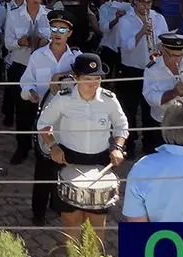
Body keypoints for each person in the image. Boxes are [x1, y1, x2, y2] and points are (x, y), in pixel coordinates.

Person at [37, 53, 128, 237]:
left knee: (97, 221)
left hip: (100, 161)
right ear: (76, 77)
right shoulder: (63, 99)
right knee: (71, 218)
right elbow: (43, 124)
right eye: (87, 79)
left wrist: (117, 147)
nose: (93, 84)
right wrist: (53, 146)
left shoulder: (109, 100)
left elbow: (121, 126)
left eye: (97, 79)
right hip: (68, 159)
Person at [21, 9, 81, 224]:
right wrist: (31, 93)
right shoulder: (38, 55)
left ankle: (58, 205)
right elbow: (25, 82)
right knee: (43, 165)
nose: (57, 33)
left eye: (62, 29)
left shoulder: (76, 59)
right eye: (54, 28)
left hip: (67, 120)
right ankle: (38, 212)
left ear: (69, 33)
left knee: (64, 162)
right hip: (44, 117)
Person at [116, 0, 168, 154]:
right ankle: (128, 145)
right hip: (131, 69)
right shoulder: (125, 21)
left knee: (150, 109)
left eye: (149, 2)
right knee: (129, 109)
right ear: (135, 1)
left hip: (153, 69)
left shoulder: (158, 18)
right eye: (142, 2)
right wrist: (141, 32)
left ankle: (150, 145)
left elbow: (165, 40)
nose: (146, 6)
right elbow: (126, 46)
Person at [4, 0, 50, 165]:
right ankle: (22, 147)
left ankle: (43, 146)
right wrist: (19, 43)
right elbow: (7, 42)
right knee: (22, 110)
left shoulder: (48, 15)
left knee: (44, 108)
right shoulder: (14, 15)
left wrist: (46, 42)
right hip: (21, 65)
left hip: (42, 67)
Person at [0, 0, 25, 125]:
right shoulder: (5, 9)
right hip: (10, 51)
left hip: (27, 52)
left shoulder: (30, 9)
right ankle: (8, 113)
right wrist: (2, 37)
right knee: (11, 85)